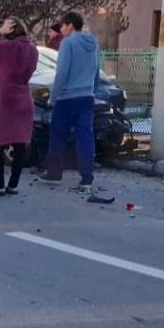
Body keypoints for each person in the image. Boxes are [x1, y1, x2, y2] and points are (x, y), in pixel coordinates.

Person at [0, 18, 39, 196]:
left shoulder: (6, 49)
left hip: (6, 99)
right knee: (20, 144)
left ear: (9, 31)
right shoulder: (33, 50)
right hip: (25, 98)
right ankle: (13, 185)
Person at [42, 11, 100, 192]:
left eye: (62, 25)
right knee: (85, 137)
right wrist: (94, 91)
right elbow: (97, 70)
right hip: (87, 97)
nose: (60, 29)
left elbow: (62, 73)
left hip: (67, 98)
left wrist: (53, 98)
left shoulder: (67, 43)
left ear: (70, 26)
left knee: (58, 135)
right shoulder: (93, 44)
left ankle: (54, 173)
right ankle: (86, 178)